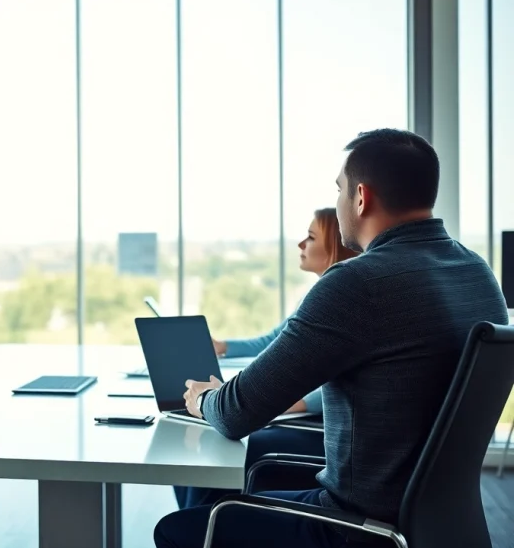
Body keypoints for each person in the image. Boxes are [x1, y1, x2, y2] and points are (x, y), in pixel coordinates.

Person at [156, 128, 509, 548]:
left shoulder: (358, 283)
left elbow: (237, 413)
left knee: (177, 530)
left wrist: (202, 399)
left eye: (339, 190)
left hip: (352, 528)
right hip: (439, 523)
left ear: (361, 197)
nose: (339, 202)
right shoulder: (478, 273)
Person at [174, 208, 358, 509]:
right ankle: (200, 523)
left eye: (310, 238)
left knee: (210, 444)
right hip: (308, 428)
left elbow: (346, 380)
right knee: (201, 448)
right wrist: (223, 347)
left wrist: (283, 403)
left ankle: (205, 525)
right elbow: (277, 339)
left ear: (334, 248)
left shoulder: (343, 299)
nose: (301, 245)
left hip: (318, 434)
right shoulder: (325, 294)